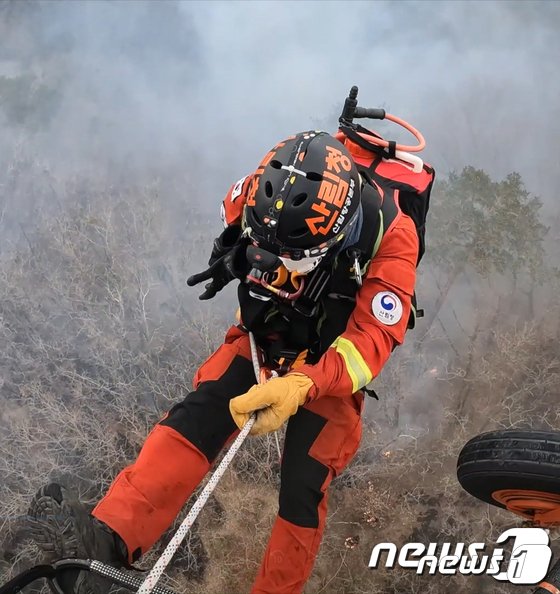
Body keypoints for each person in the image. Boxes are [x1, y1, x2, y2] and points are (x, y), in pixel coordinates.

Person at [28, 129, 434, 594]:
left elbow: (371, 340)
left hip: (329, 359)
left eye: (293, 261)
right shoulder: (257, 192)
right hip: (266, 332)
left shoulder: (392, 237)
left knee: (304, 485)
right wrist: (233, 255)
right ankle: (109, 538)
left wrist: (303, 384)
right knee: (197, 416)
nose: (280, 267)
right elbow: (230, 227)